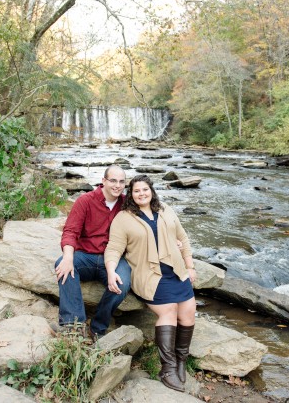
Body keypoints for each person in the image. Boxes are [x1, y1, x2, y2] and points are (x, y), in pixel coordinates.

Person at [104, 174, 197, 392]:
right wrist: (110, 271)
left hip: (175, 271)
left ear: (151, 191)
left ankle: (182, 360)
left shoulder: (165, 209)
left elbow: (183, 238)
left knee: (189, 312)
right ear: (131, 194)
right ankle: (167, 368)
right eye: (136, 191)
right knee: (169, 312)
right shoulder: (123, 218)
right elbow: (114, 248)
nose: (141, 194)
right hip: (150, 275)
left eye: (145, 189)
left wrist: (190, 266)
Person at [54, 165, 131, 339]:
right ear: (103, 181)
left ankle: (97, 328)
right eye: (113, 180)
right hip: (85, 257)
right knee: (63, 265)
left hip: (112, 259)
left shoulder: (127, 204)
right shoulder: (85, 201)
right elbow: (70, 231)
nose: (117, 185)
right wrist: (68, 256)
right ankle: (73, 325)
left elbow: (149, 218)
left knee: (122, 283)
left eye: (121, 182)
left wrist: (174, 240)